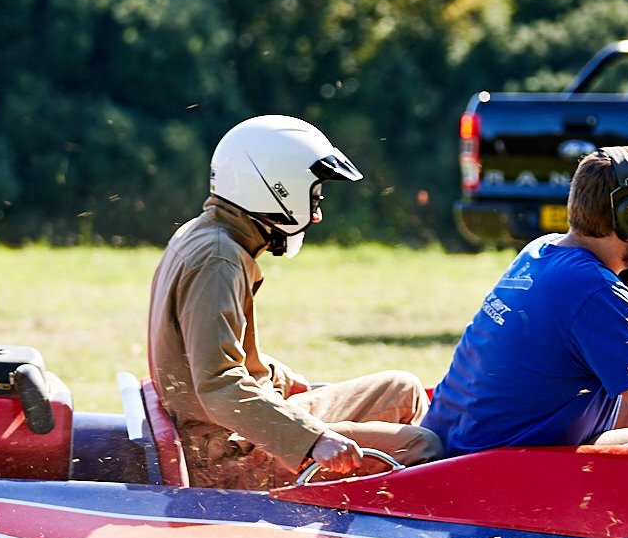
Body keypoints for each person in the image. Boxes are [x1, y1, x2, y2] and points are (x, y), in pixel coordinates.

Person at [146, 115, 442, 489]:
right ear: (276, 189)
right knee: (424, 445)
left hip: (238, 426)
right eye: (313, 197)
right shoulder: (218, 259)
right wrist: (312, 440)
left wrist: (288, 386)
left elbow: (225, 357)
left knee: (404, 388)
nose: (316, 215)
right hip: (228, 453)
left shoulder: (210, 236)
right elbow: (218, 382)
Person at [422, 146, 628, 455]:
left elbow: (624, 336)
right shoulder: (592, 289)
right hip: (490, 468)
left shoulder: (543, 251)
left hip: (465, 443)